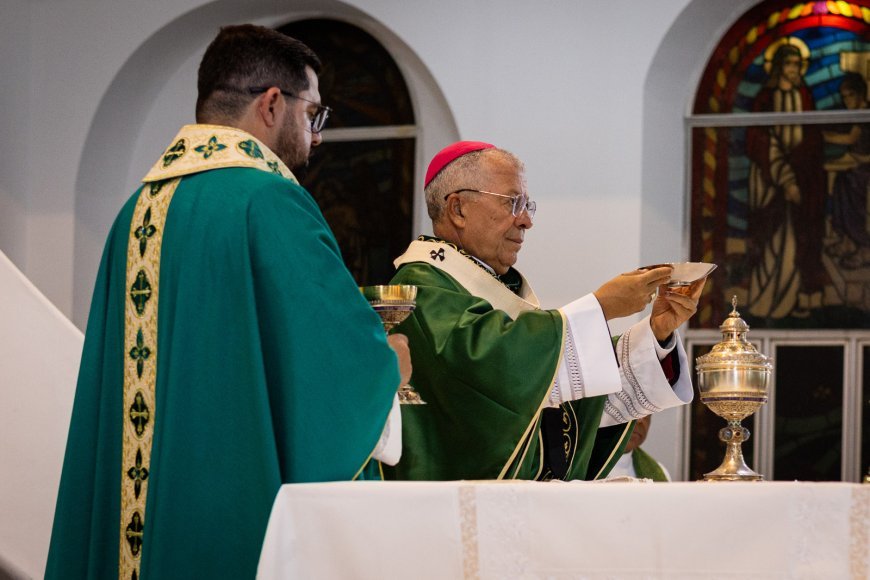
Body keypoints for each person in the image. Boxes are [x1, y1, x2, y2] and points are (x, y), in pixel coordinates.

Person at [45, 24, 410, 580]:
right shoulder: (269, 200)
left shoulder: (136, 212)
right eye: (314, 115)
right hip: (225, 502)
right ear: (271, 104)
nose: (317, 137)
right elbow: (338, 367)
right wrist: (387, 363)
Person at [382, 141, 703, 482]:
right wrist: (602, 307)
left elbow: (560, 390)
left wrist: (656, 334)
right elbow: (494, 367)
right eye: (512, 203)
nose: (525, 221)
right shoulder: (420, 288)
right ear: (458, 208)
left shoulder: (495, 289)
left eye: (527, 205)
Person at [745, 40, 828, 319]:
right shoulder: (765, 100)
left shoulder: (805, 96)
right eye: (790, 64)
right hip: (770, 179)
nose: (795, 70)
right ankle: (764, 301)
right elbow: (757, 139)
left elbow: (814, 138)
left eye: (797, 65)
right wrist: (783, 175)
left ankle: (797, 296)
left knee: (800, 238)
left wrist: (800, 171)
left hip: (802, 176)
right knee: (770, 238)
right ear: (779, 67)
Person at [823, 72, 870, 269]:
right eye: (844, 97)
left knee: (851, 191)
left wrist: (825, 136)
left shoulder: (865, 112)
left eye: (850, 95)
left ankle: (864, 247)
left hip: (865, 167)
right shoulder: (856, 114)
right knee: (841, 185)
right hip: (857, 163)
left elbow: (851, 139)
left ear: (860, 94)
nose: (847, 101)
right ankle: (846, 239)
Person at [605, 415, 671, 481]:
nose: (640, 420)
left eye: (647, 414)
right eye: (632, 409)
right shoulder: (594, 467)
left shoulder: (660, 472)